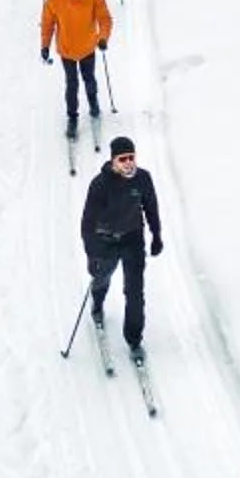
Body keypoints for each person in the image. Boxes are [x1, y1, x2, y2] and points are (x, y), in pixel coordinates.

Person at [81, 135, 165, 362]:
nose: (129, 163)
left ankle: (134, 339)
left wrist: (156, 235)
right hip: (105, 242)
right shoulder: (100, 185)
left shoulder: (143, 179)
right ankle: (97, 304)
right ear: (113, 161)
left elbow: (151, 208)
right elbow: (87, 224)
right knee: (102, 278)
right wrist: (92, 254)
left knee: (135, 292)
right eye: (123, 159)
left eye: (132, 157)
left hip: (132, 240)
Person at [38, 0, 113, 135]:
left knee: (89, 79)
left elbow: (105, 19)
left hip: (87, 47)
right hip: (67, 49)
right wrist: (45, 45)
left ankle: (94, 104)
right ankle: (72, 117)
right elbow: (47, 22)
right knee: (71, 84)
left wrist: (103, 38)